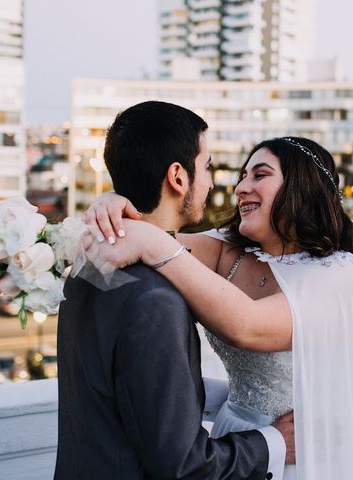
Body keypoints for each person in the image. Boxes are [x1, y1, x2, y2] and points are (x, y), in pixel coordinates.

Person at [86, 136, 353, 479]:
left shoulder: (339, 272)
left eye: (259, 175)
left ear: (301, 185)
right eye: (242, 177)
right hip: (239, 442)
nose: (242, 188)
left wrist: (148, 241)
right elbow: (144, 236)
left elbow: (248, 326)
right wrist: (111, 204)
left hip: (307, 456)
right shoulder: (228, 252)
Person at [55, 101, 293, 480]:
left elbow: (131, 393)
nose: (214, 182)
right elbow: (185, 466)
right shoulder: (157, 298)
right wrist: (274, 441)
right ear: (178, 177)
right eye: (208, 166)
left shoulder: (88, 265)